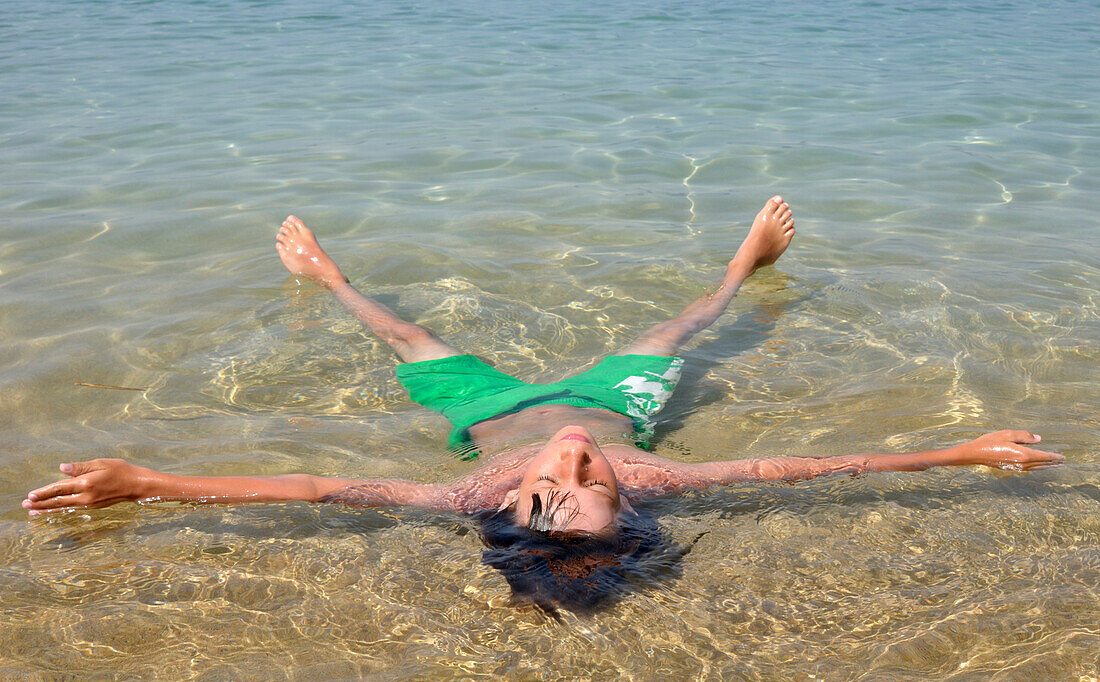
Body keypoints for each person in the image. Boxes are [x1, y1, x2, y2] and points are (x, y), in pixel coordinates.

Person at [22, 196, 1063, 610]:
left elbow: (308, 483)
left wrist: (147, 481)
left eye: (554, 481)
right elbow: (808, 467)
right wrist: (957, 453)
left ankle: (327, 280)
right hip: (618, 390)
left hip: (488, 401)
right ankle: (740, 268)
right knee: (681, 328)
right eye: (594, 476)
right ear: (630, 490)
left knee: (408, 337)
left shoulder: (472, 485)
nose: (569, 455)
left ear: (510, 504)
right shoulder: (653, 468)